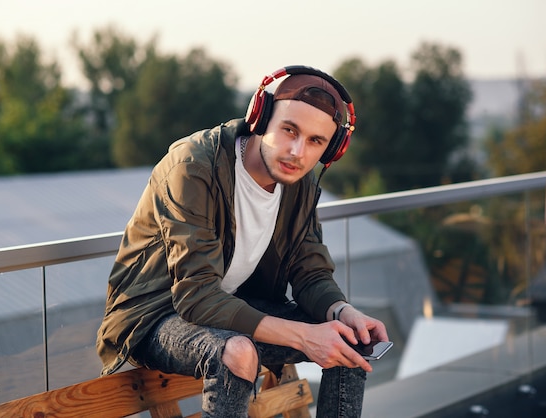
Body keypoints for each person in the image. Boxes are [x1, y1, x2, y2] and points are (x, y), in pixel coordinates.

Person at [96, 65, 389, 417]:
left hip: (231, 308)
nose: (298, 152)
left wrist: (343, 312)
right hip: (154, 317)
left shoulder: (301, 184)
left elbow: (310, 273)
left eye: (315, 141)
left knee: (348, 343)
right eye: (289, 130)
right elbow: (197, 296)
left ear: (331, 150)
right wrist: (302, 336)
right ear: (260, 117)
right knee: (238, 352)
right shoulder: (193, 167)